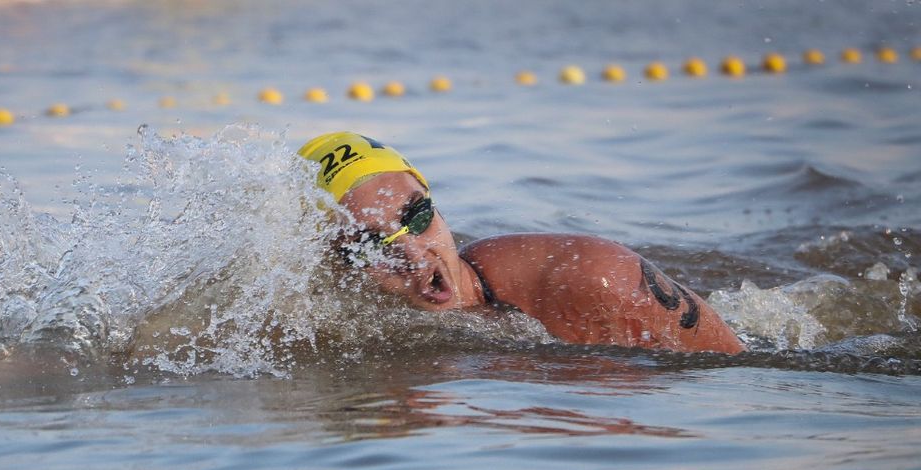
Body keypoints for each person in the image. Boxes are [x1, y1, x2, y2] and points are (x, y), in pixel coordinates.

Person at [298, 132, 745, 354]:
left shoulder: (591, 278)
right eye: (371, 247)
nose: (415, 255)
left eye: (416, 216)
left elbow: (727, 377)